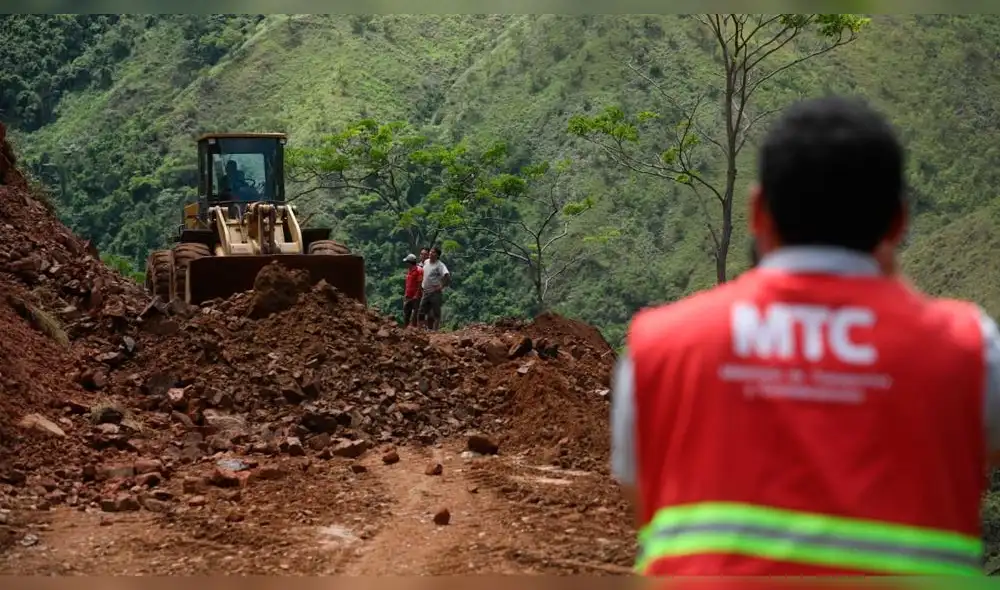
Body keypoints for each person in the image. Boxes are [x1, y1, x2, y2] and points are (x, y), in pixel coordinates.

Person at [611, 96, 1000, 576]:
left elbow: (639, 495)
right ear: (898, 221)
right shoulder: (970, 350)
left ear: (757, 212)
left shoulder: (658, 347)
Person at [419, 246, 450, 330]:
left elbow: (447, 275)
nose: (430, 253)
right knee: (421, 312)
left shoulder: (440, 265)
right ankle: (421, 330)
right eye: (430, 252)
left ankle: (435, 331)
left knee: (436, 313)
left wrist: (441, 286)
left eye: (433, 252)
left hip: (435, 293)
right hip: (425, 292)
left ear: (437, 255)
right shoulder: (426, 262)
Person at [402, 253, 423, 327]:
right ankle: (406, 329)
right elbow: (408, 284)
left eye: (407, 262)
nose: (406, 264)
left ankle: (414, 330)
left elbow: (419, 284)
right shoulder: (409, 270)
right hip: (408, 295)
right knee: (406, 313)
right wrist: (405, 294)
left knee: (415, 314)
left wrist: (416, 295)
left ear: (410, 262)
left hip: (415, 296)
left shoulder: (419, 271)